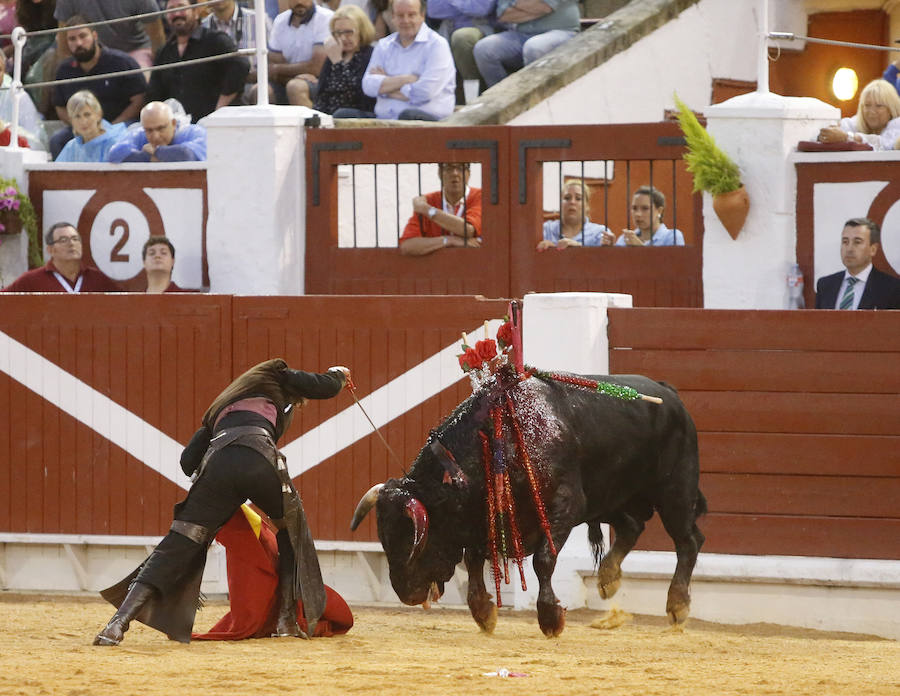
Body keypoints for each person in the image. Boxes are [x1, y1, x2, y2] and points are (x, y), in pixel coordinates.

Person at [92, 359, 351, 646]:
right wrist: (338, 375)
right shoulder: (275, 374)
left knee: (179, 543)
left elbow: (188, 462)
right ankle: (286, 620)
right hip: (260, 459)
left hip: (218, 465)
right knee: (291, 527)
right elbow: (322, 387)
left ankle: (116, 625)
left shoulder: (216, 410)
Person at [50, 17, 146, 159]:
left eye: (83, 36)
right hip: (83, 125)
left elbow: (139, 99)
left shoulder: (121, 62)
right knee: (57, 141)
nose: (79, 43)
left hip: (119, 125)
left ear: (94, 35)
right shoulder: (64, 70)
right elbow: (60, 106)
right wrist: (79, 123)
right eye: (72, 39)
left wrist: (111, 127)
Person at [146, 0, 249, 122]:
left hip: (215, 127)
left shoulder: (215, 40)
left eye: (181, 7)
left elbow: (241, 65)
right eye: (171, 9)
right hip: (178, 129)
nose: (176, 13)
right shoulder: (164, 52)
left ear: (195, 12)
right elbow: (154, 93)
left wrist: (219, 111)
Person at [359, 0, 456, 121]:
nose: (405, 21)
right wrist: (407, 79)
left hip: (425, 122)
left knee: (407, 115)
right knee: (344, 114)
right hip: (384, 119)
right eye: (400, 15)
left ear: (422, 15)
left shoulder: (437, 45)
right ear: (392, 17)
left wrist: (385, 89)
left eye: (411, 15)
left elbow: (424, 93)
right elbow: (368, 86)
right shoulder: (383, 45)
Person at [472, 0, 578, 88]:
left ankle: (534, 97)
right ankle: (502, 97)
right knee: (483, 49)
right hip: (522, 34)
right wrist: (535, 6)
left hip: (561, 32)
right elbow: (504, 16)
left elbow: (545, 6)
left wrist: (514, 3)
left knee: (534, 47)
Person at [1, 221, 120, 292]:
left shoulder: (98, 280)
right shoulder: (31, 280)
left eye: (75, 239)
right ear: (50, 250)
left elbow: (126, 306)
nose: (71, 243)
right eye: (63, 240)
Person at [814, 217, 900, 310]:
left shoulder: (891, 288)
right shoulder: (825, 285)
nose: (849, 249)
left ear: (873, 249)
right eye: (845, 242)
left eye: (857, 242)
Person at [399, 162, 481, 255]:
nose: (455, 173)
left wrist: (428, 210)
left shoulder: (480, 196)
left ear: (469, 174)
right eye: (449, 168)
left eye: (460, 167)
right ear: (439, 173)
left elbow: (468, 230)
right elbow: (407, 245)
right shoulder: (428, 201)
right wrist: (448, 240)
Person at [54, 0, 166, 68]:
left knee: (142, 83)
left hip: (135, 49)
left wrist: (160, 65)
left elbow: (155, 30)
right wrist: (66, 69)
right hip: (91, 55)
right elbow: (63, 35)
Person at [426, 0, 497, 102]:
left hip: (480, 28)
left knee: (462, 38)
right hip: (447, 30)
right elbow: (434, 10)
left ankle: (472, 100)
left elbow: (481, 8)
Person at [201, 0, 271, 103]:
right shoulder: (202, 27)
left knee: (260, 92)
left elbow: (274, 57)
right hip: (217, 89)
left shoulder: (259, 19)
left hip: (253, 84)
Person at [268, 0, 334, 107]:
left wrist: (277, 69)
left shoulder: (326, 18)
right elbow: (273, 64)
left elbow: (317, 68)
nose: (299, 1)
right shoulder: (280, 20)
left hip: (320, 81)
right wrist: (288, 74)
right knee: (259, 91)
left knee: (295, 88)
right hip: (285, 81)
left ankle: (314, 124)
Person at [315, 5, 377, 117]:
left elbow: (355, 93)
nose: (343, 38)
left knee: (341, 114)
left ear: (361, 31)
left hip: (358, 115)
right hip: (331, 116)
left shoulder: (370, 55)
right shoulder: (334, 55)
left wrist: (338, 63)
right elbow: (321, 95)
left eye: (348, 32)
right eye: (338, 33)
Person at [108, 100, 207, 162]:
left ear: (173, 123)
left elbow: (186, 155)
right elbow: (114, 153)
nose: (155, 136)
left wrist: (155, 151)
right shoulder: (140, 133)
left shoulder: (194, 132)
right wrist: (150, 157)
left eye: (161, 128)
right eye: (149, 130)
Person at [816, 79, 900, 152]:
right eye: (867, 105)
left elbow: (885, 144)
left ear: (891, 109)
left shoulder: (897, 124)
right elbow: (844, 126)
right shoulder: (855, 123)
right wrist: (828, 133)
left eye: (879, 106)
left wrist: (847, 138)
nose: (872, 111)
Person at [55, 90, 128, 162]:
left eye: (87, 115)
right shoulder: (71, 147)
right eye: (77, 116)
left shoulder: (114, 145)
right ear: (71, 120)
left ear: (98, 115)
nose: (83, 121)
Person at [602, 185, 685, 247]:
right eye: (634, 208)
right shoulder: (625, 239)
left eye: (645, 208)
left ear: (659, 211)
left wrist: (640, 249)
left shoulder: (672, 236)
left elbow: (675, 267)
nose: (638, 214)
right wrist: (611, 251)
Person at [536, 179, 608, 250]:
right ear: (560, 204)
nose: (572, 202)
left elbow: (607, 259)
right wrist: (548, 252)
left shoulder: (600, 233)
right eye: (567, 198)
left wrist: (579, 249)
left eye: (578, 198)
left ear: (587, 206)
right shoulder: (546, 229)